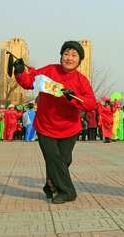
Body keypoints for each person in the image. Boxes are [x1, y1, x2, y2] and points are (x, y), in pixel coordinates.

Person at [14, 40, 96, 204]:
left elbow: (90, 104)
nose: (69, 58)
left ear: (79, 60)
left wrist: (72, 98)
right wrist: (20, 71)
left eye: (74, 55)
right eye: (66, 54)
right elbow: (29, 81)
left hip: (69, 128)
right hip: (46, 126)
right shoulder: (49, 71)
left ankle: (50, 187)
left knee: (64, 161)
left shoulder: (81, 80)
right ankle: (68, 192)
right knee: (53, 158)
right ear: (61, 56)